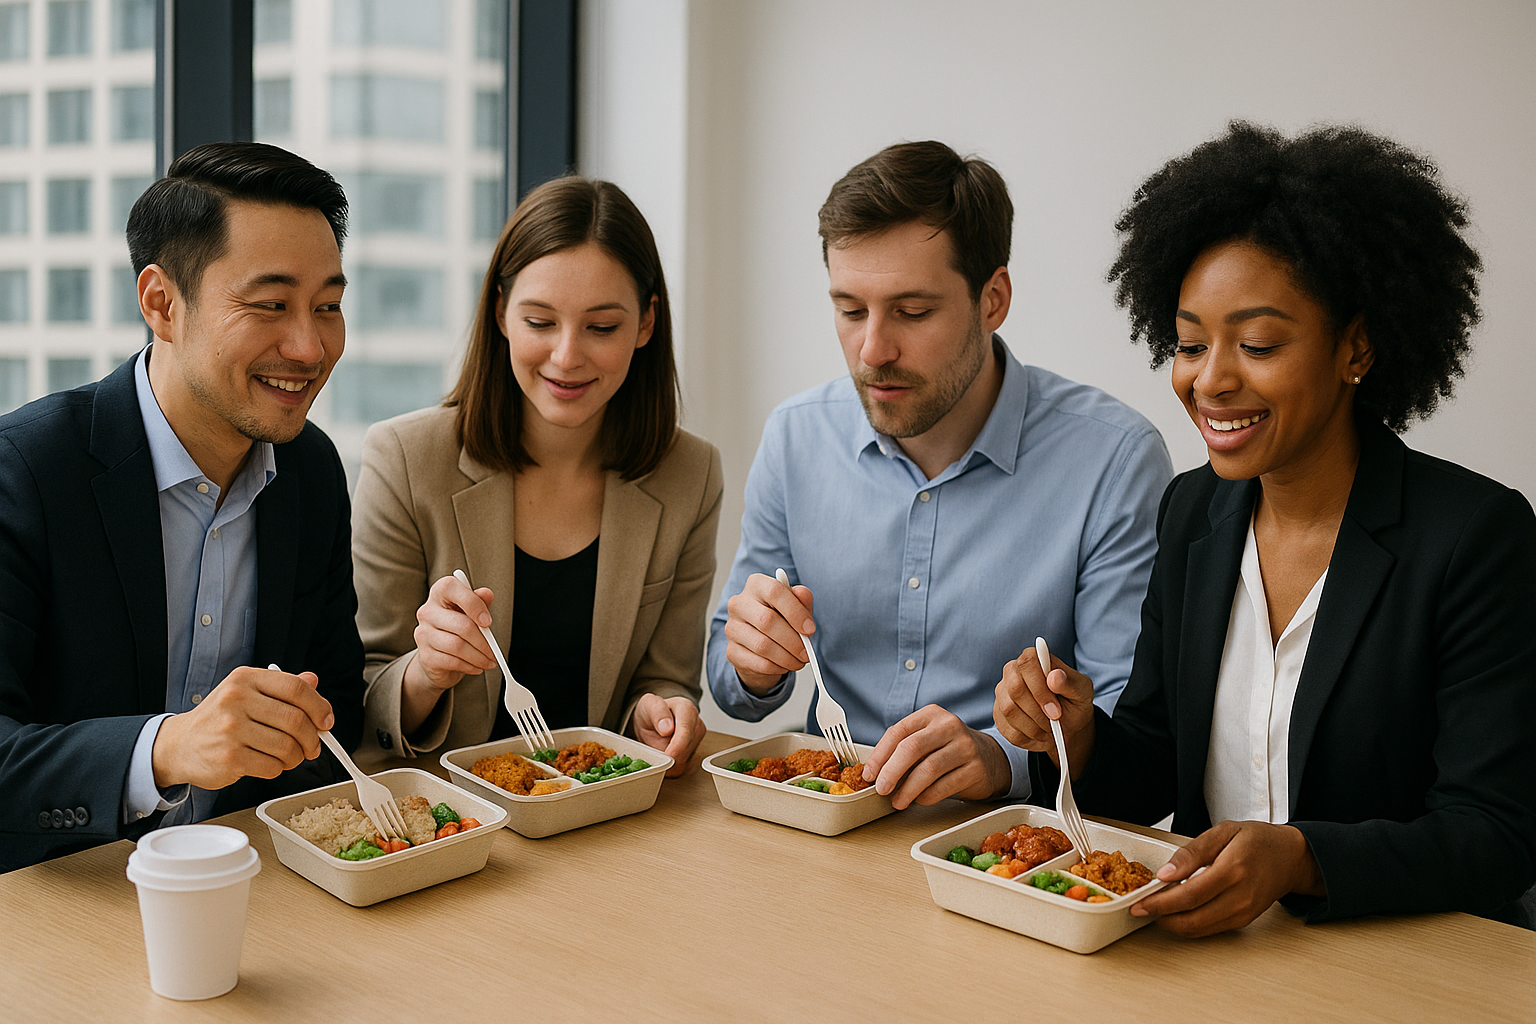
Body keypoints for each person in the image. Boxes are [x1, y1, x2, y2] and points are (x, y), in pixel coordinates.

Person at [996, 122, 1536, 934]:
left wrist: (1303, 858)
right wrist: (1075, 734)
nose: (1210, 380)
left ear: (1355, 347)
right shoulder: (1191, 514)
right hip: (1210, 950)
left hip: (1404, 964)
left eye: (1255, 344)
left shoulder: (1474, 536)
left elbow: (1496, 835)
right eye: (1187, 344)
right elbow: (1150, 767)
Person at [708, 141, 1173, 808]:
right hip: (822, 822)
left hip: (1007, 851)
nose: (873, 350)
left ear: (993, 299)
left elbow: (1129, 726)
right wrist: (751, 666)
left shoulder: (1115, 461)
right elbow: (733, 687)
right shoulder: (795, 436)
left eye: (913, 311)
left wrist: (1000, 758)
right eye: (849, 309)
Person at [0, 142, 365, 871]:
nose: (309, 344)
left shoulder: (310, 470)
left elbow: (337, 721)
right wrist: (165, 747)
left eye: (327, 306)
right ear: (161, 303)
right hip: (67, 903)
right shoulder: (27, 469)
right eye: (271, 305)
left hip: (254, 892)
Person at [354, 177, 720, 775]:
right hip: (453, 819)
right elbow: (366, 698)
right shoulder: (404, 458)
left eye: (602, 328)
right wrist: (427, 671)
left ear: (646, 324)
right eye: (540, 322)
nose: (568, 355)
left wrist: (661, 714)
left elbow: (665, 677)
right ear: (501, 313)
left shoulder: (689, 474)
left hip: (601, 810)